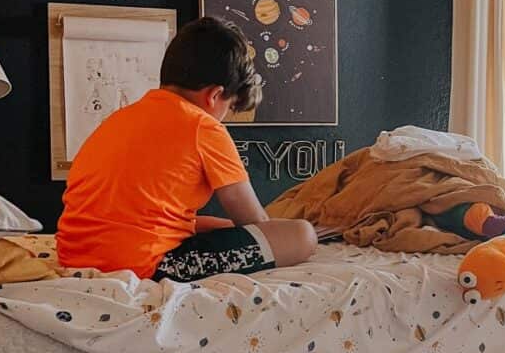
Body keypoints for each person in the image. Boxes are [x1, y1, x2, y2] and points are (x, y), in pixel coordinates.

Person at [56, 16, 317, 281]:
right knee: (302, 235)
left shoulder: (119, 118)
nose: (223, 117)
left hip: (73, 255)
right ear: (214, 95)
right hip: (144, 265)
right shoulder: (203, 127)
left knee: (208, 225)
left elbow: (149, 218)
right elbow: (255, 223)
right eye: (228, 108)